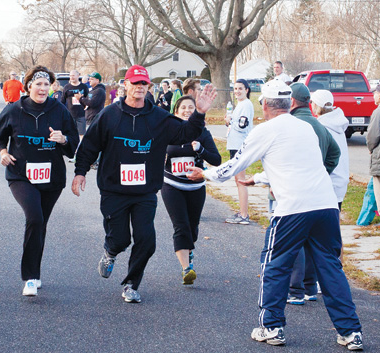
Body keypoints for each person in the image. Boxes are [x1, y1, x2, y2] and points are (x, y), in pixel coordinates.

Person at [186, 79, 363, 350]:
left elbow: (234, 164)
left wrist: (205, 173)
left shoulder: (265, 130)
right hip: (325, 205)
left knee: (275, 265)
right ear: (289, 103)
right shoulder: (305, 128)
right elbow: (295, 166)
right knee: (330, 268)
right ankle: (350, 332)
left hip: (292, 209)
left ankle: (271, 326)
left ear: (266, 105)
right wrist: (258, 180)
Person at [71, 64, 217, 303]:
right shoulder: (109, 115)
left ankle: (131, 283)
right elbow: (89, 145)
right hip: (113, 189)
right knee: (120, 239)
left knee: (147, 240)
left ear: (148, 87)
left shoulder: (158, 117)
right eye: (135, 83)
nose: (139, 88)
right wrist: (80, 172)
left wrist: (199, 113)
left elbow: (185, 134)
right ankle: (110, 251)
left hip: (145, 191)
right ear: (125, 85)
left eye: (143, 84)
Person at [0, 65, 79, 297]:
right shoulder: (14, 109)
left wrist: (63, 139)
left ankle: (35, 273)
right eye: (38, 84)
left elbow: (73, 145)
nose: (43, 88)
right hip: (21, 175)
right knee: (34, 218)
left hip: (52, 177)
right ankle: (29, 277)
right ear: (28, 87)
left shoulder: (59, 110)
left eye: (47, 84)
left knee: (40, 224)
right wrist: (3, 152)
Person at [286, 83, 340, 305]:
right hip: (318, 194)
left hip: (294, 192)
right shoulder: (319, 126)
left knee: (293, 242)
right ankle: (310, 288)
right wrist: (323, 172)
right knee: (311, 241)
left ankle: (295, 290)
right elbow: (334, 153)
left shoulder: (293, 124)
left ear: (291, 101)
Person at [161, 95, 221, 285]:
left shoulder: (202, 132)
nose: (187, 110)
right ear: (176, 111)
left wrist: (201, 150)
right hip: (171, 185)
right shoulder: (167, 131)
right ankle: (187, 269)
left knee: (192, 228)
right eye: (183, 107)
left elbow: (217, 160)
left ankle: (189, 249)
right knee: (181, 226)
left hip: (196, 187)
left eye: (191, 107)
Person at [224, 79, 254, 225]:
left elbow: (242, 125)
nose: (237, 91)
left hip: (240, 146)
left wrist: (230, 121)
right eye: (235, 89)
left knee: (241, 180)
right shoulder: (240, 105)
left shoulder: (246, 105)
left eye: (240, 88)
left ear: (247, 90)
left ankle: (244, 215)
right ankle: (242, 212)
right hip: (235, 145)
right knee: (238, 180)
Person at [366, 82, 380, 228]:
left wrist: (370, 148)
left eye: (374, 93)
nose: (373, 96)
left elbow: (372, 136)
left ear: (379, 95)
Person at [61, 70, 88, 141]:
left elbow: (88, 100)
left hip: (81, 114)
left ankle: (80, 150)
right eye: (70, 76)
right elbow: (62, 101)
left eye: (73, 75)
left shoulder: (83, 87)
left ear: (78, 76)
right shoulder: (67, 87)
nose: (71, 77)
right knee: (70, 133)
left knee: (82, 134)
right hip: (70, 115)